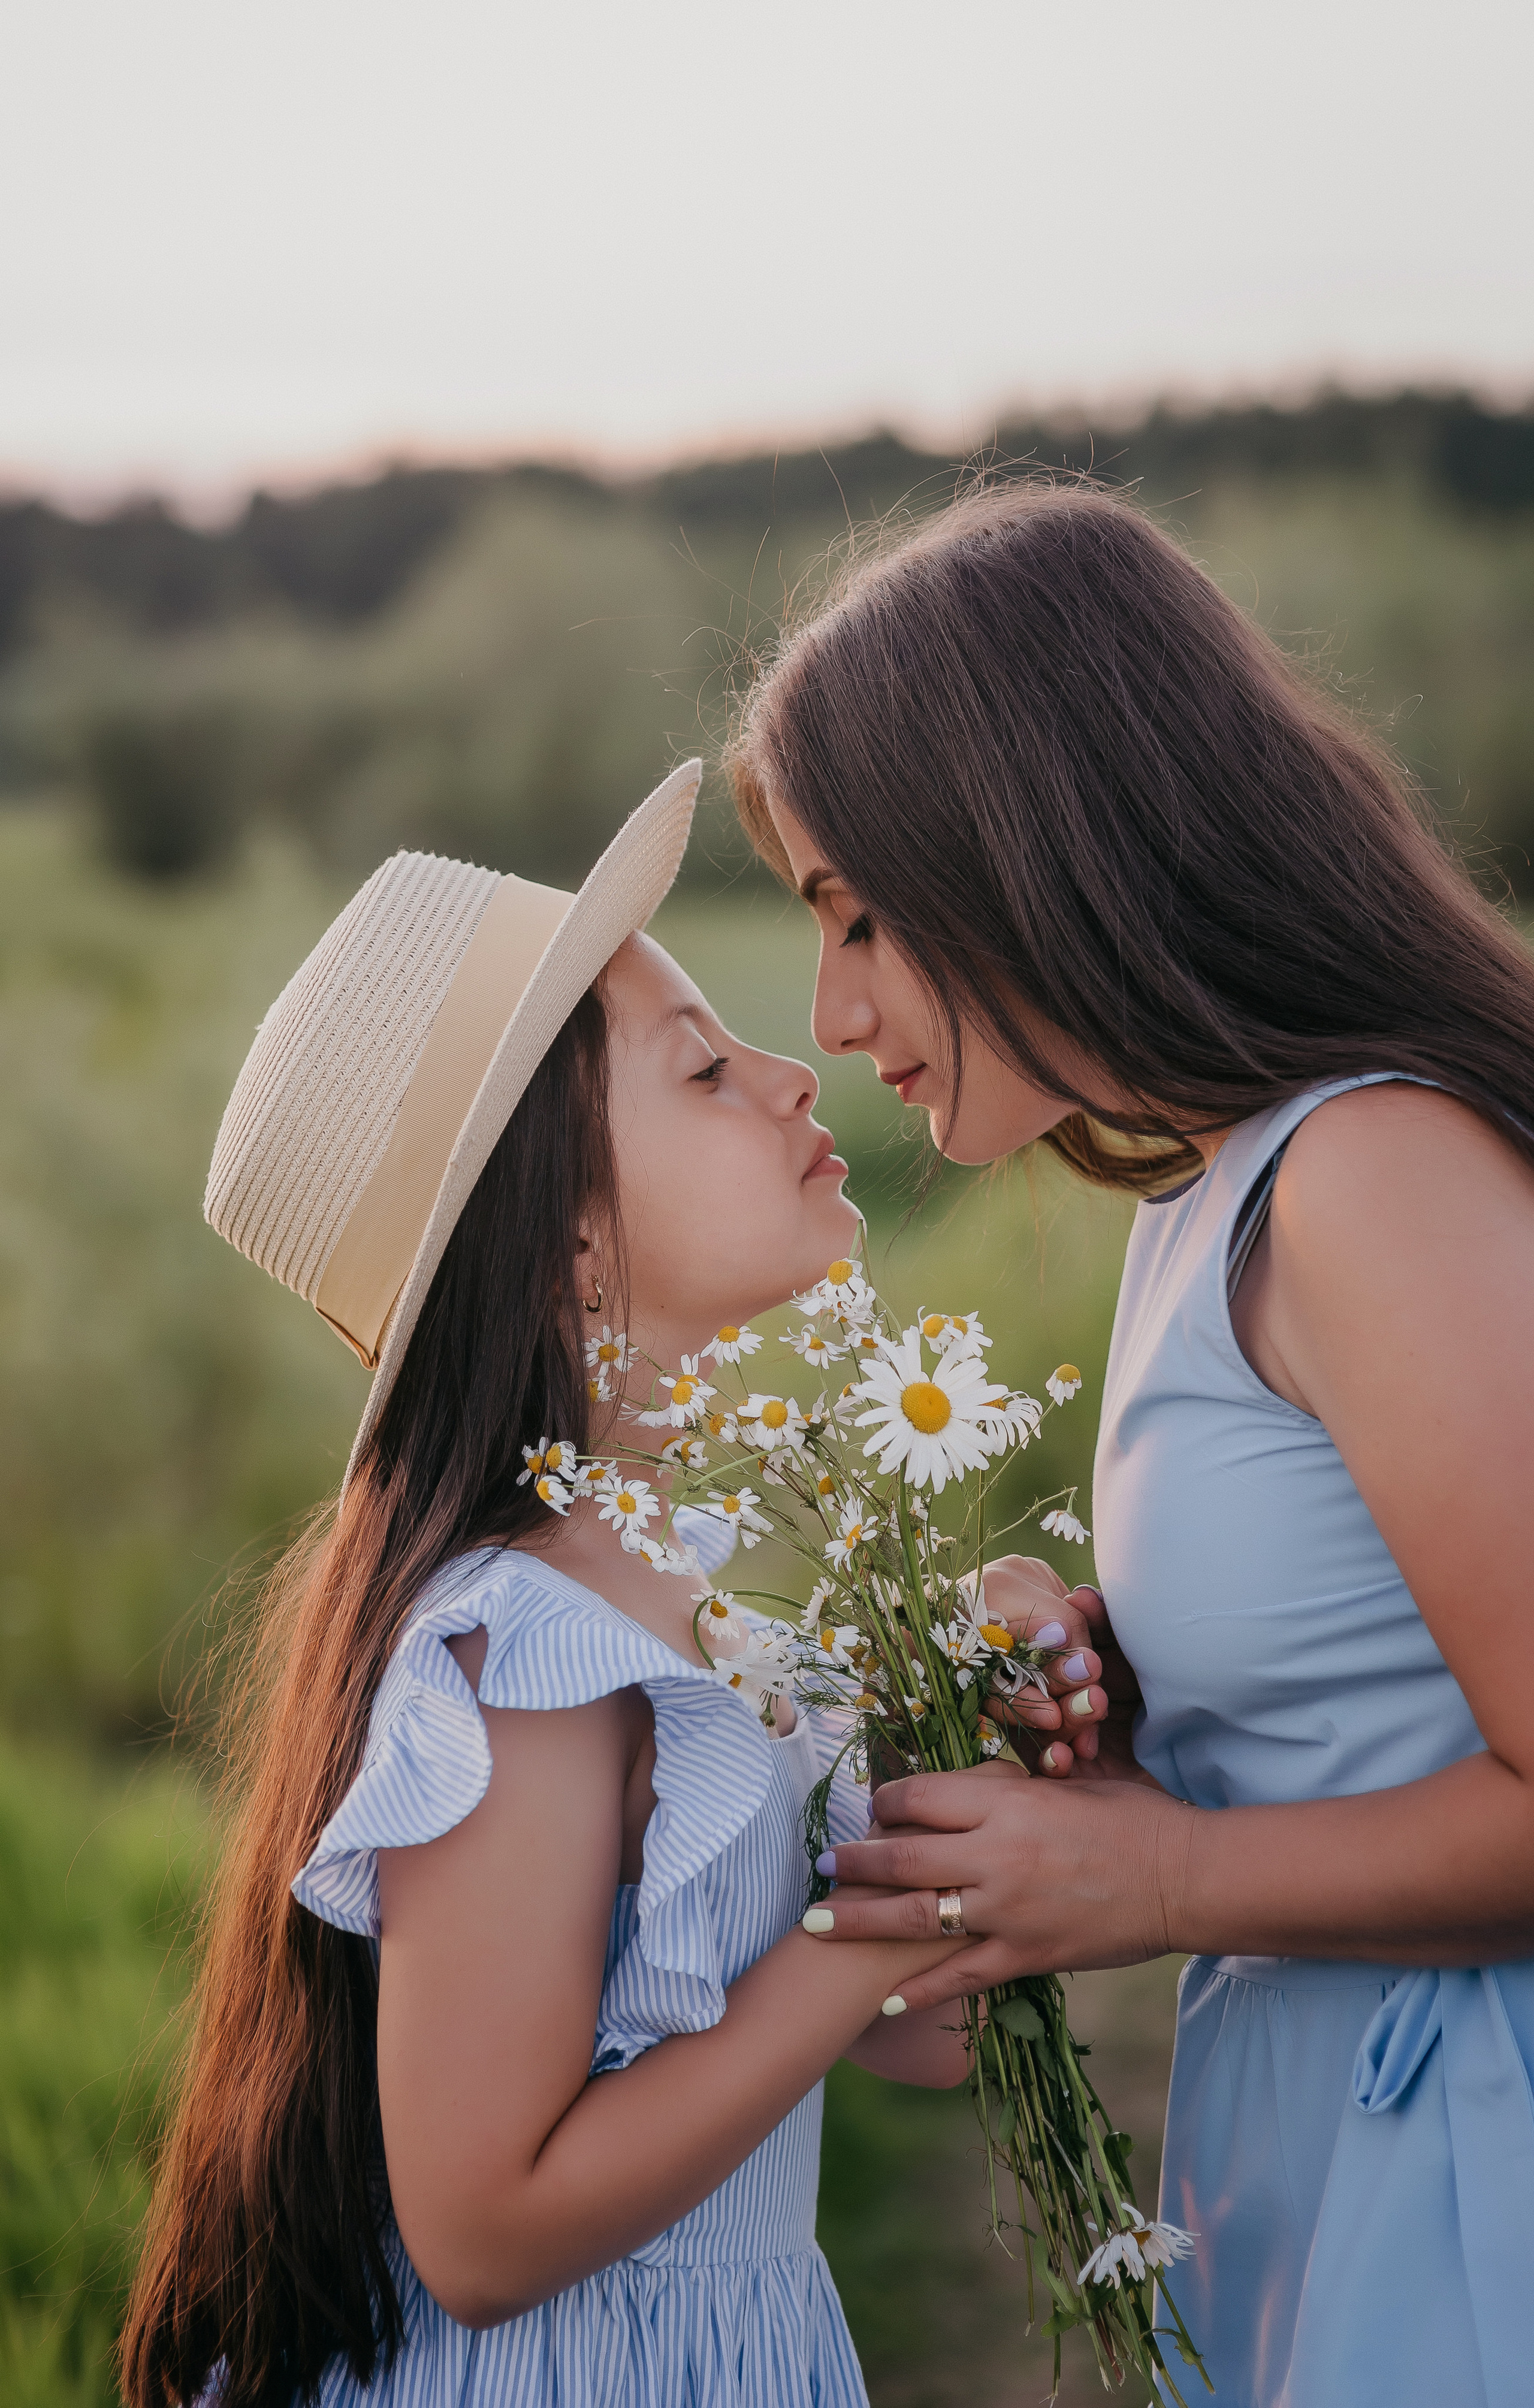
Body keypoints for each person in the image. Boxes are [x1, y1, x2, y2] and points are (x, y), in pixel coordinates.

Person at [124, 763, 1092, 2408]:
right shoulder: (535, 1652)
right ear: (571, 1246)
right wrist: (879, 1929)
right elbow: (483, 2226)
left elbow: (916, 2038)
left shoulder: (674, 1594)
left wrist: (969, 1760)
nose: (797, 1077)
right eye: (706, 1068)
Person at [726, 486, 1534, 2408]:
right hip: (1333, 2144)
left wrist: (1158, 1882)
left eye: (858, 915)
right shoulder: (1218, 1191)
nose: (837, 1013)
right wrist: (1114, 1682)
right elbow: (1382, 1680)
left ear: (1030, 845)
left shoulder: (1374, 1176)